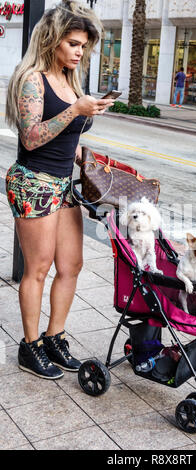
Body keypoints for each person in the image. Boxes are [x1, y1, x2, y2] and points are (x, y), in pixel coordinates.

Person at [5, 0, 115, 380]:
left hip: (63, 183)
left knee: (71, 265)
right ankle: (30, 346)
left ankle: (55, 337)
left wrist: (89, 153)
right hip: (33, 182)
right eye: (73, 44)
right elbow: (32, 138)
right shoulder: (32, 79)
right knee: (37, 269)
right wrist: (75, 111)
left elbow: (67, 139)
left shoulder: (71, 80)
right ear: (52, 41)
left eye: (83, 45)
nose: (79, 52)